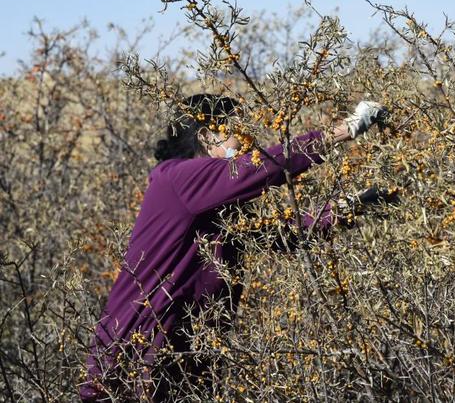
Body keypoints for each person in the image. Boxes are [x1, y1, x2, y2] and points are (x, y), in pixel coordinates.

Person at [79, 94, 388, 401]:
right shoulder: (178, 178)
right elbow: (266, 167)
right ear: (205, 136)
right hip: (138, 354)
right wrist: (344, 130)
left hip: (187, 355)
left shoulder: (216, 201)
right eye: (234, 131)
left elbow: (275, 236)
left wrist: (349, 207)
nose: (245, 142)